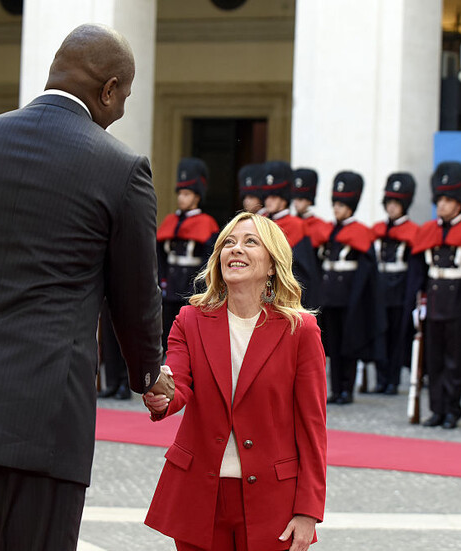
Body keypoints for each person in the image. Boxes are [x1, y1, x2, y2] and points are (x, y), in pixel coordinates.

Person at [0, 24, 173, 550]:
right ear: (108, 89)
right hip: (43, 419)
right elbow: (135, 296)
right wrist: (149, 374)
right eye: (125, 97)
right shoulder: (121, 168)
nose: (122, 111)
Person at [143, 212, 327, 551]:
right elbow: (177, 384)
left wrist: (309, 510)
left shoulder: (300, 330)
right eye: (228, 242)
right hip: (199, 495)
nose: (235, 248)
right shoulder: (190, 320)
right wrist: (161, 396)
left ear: (272, 265)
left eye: (250, 242)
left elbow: (312, 426)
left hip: (272, 499)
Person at [406, 161, 461, 430]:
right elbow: (419, 274)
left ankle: (452, 410)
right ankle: (436, 409)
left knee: (454, 362)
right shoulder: (427, 230)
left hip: (457, 305)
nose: (441, 205)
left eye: (447, 200)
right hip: (433, 304)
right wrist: (418, 304)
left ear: (459, 203)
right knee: (434, 361)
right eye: (439, 199)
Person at [319, 171, 383, 404]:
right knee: (333, 345)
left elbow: (367, 273)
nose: (336, 209)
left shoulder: (360, 232)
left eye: (341, 205)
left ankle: (347, 388)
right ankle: (336, 389)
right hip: (330, 297)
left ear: (350, 208)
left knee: (349, 344)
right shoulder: (328, 231)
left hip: (349, 298)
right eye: (335, 204)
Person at [156, 158, 219, 353]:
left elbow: (209, 261)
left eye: (186, 194)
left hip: (191, 289)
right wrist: (162, 282)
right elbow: (159, 258)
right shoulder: (170, 220)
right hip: (170, 289)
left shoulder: (207, 224)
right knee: (166, 334)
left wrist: (200, 289)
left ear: (197, 197)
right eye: (180, 194)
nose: (181, 198)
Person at [371, 173, 418, 395]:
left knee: (397, 336)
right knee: (380, 333)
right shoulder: (378, 229)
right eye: (389, 202)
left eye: (396, 203)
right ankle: (381, 379)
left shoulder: (413, 232)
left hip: (399, 289)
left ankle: (393, 380)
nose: (391, 207)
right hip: (380, 288)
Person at [262, 161, 320, 308]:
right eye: (267, 196)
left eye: (274, 196)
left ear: (284, 197)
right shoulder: (261, 222)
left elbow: (304, 273)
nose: (269, 201)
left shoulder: (297, 225)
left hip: (286, 297)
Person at [291, 168, 332, 250]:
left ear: (309, 201)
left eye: (300, 199)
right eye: (294, 199)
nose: (296, 203)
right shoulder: (290, 223)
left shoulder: (320, 227)